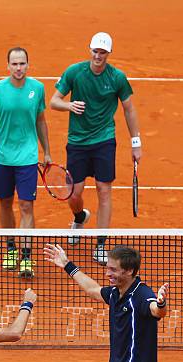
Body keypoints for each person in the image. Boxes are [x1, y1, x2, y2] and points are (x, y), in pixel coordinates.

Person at [50, 32, 142, 266]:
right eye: (95, 51)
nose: (98, 55)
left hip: (104, 139)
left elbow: (129, 109)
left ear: (108, 54)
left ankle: (101, 244)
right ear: (89, 50)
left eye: (103, 52)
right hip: (78, 141)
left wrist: (136, 142)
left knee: (103, 190)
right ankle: (79, 217)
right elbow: (54, 101)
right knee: (74, 192)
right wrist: (69, 105)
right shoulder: (74, 72)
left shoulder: (117, 78)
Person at [0, 47, 52, 279]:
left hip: (27, 158)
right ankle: (11, 249)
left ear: (28, 65)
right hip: (1, 158)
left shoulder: (37, 88)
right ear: (8, 66)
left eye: (22, 64)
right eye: (15, 64)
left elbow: (41, 121)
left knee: (27, 206)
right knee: (5, 203)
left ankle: (26, 256)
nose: (18, 68)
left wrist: (47, 151)